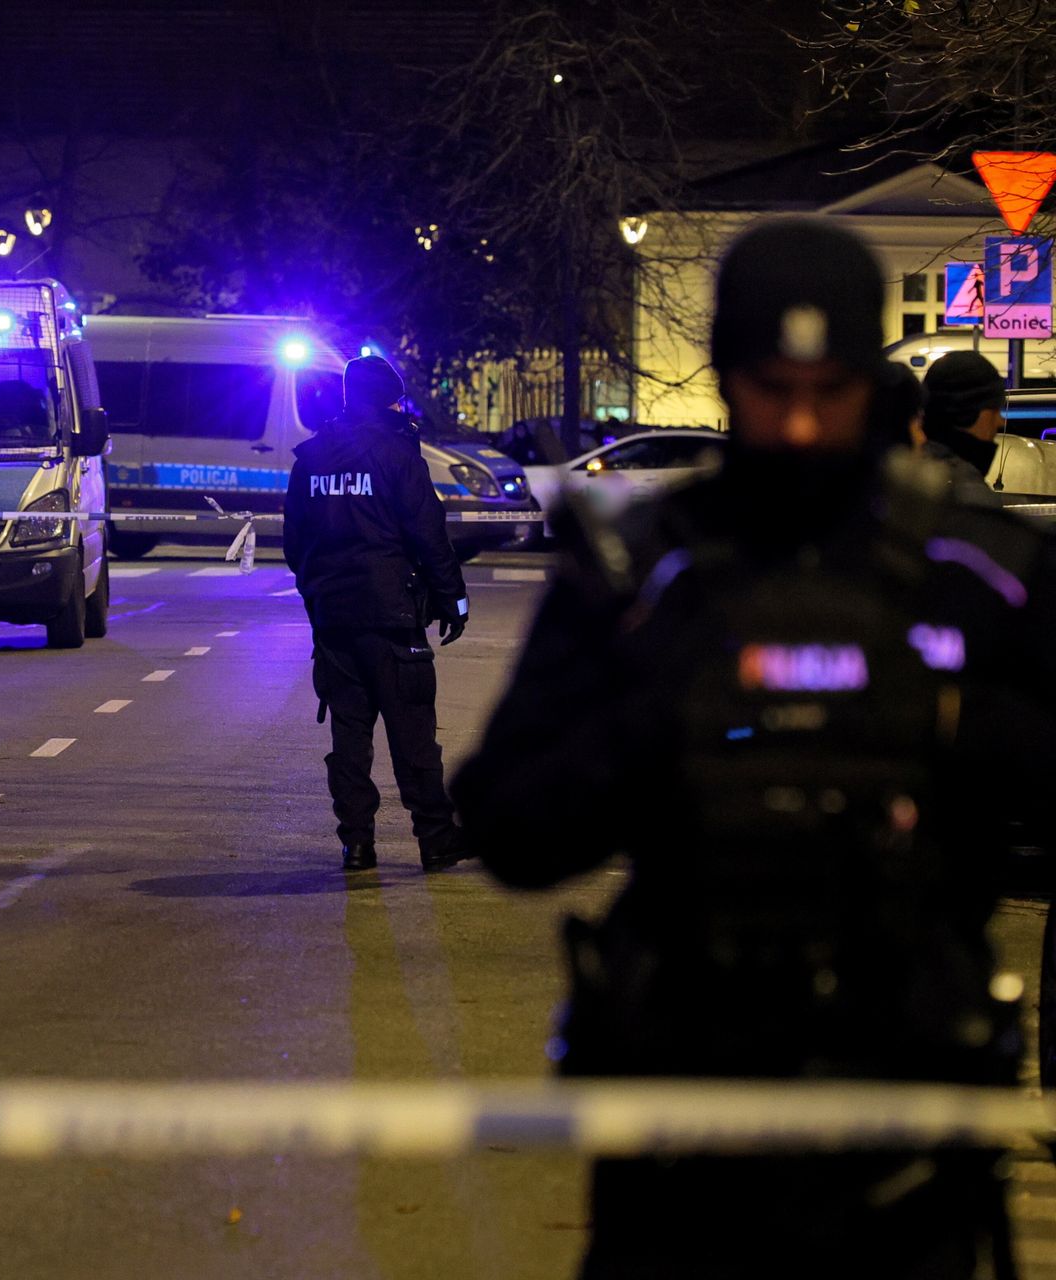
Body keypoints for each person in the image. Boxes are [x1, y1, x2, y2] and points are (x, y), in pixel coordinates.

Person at [452, 218, 1056, 1278]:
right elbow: (507, 822)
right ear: (730, 380)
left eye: (833, 390)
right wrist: (660, 727)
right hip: (688, 1111)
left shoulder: (977, 567)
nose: (806, 424)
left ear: (877, 384)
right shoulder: (647, 571)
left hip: (905, 1093)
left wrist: (944, 728)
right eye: (775, 389)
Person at [283, 354, 473, 873]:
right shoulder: (398, 453)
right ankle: (436, 840)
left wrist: (317, 594)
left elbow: (295, 542)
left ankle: (358, 844)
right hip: (391, 617)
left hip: (335, 619)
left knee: (349, 738)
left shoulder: (313, 457)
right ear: (388, 398)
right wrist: (452, 599)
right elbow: (427, 533)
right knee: (412, 736)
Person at [923, 350, 1009, 499]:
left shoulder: (901, 478)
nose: (1001, 422)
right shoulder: (970, 498)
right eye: (994, 410)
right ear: (967, 414)